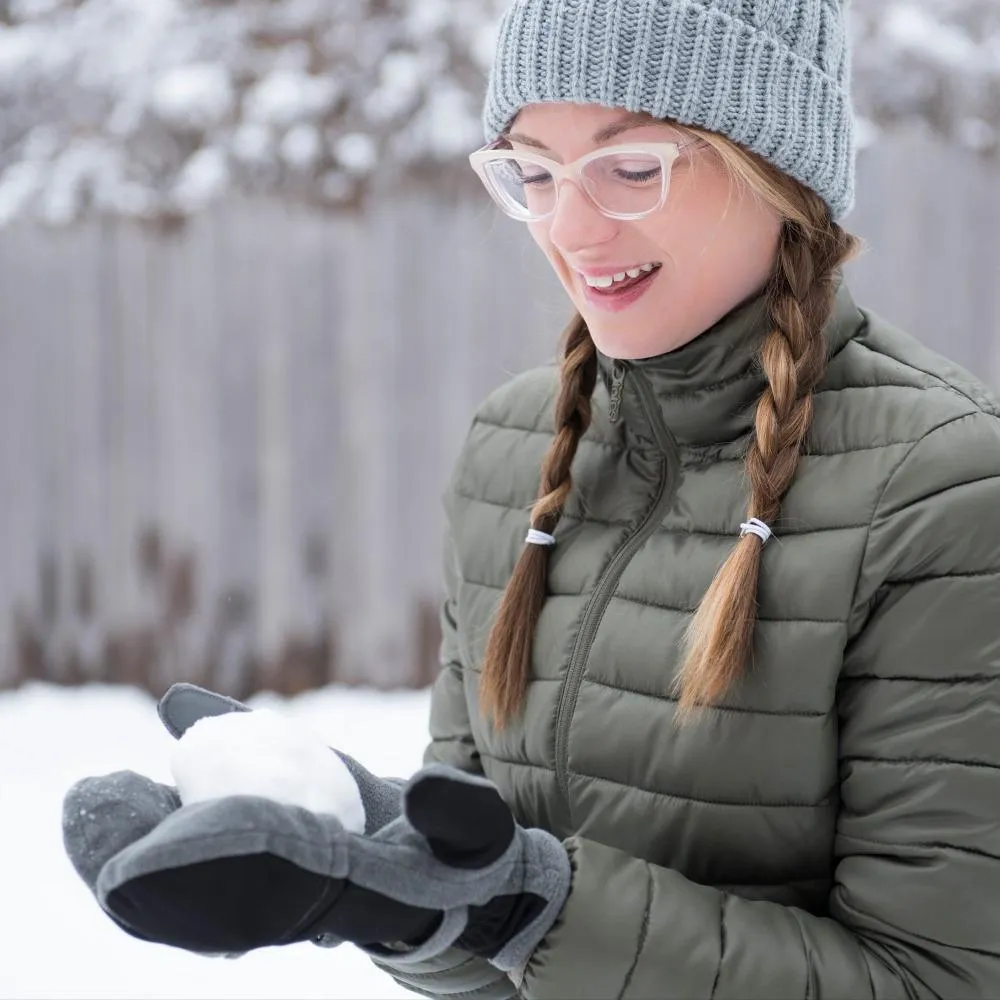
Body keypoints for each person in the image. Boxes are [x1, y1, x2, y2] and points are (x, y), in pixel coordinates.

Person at [62, 0, 1000, 997]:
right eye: (533, 171)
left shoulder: (941, 491)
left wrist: (527, 905)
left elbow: (937, 979)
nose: (567, 224)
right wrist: (377, 866)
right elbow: (485, 953)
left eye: (630, 167)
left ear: (778, 167)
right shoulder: (510, 455)